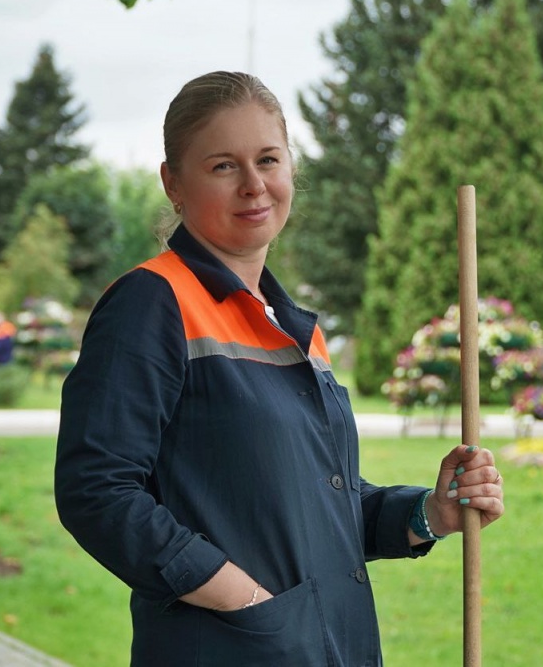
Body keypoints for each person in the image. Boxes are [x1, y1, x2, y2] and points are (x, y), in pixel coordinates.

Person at [54, 71, 505, 666]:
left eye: (268, 159)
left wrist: (430, 513)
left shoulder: (294, 327)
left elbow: (313, 509)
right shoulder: (152, 303)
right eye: (223, 166)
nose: (253, 185)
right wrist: (242, 598)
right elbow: (96, 491)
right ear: (173, 182)